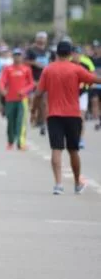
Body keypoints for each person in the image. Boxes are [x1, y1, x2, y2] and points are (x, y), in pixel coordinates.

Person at [33, 40, 101, 194]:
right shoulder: (76, 69)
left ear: (57, 53)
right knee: (73, 150)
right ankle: (77, 183)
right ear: (70, 54)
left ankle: (58, 184)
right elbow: (96, 80)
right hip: (73, 116)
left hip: (54, 115)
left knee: (56, 149)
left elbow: (38, 94)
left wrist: (33, 112)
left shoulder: (48, 70)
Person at [0, 48, 34, 150]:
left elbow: (31, 84)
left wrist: (24, 90)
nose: (17, 57)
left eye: (19, 55)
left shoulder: (26, 69)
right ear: (12, 57)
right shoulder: (7, 69)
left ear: (22, 57)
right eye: (15, 55)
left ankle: (20, 143)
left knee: (21, 121)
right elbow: (2, 81)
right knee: (10, 121)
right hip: (10, 99)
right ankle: (10, 141)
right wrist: (2, 89)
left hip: (22, 99)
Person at [26, 31, 54, 135]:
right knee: (35, 100)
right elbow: (25, 61)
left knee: (44, 101)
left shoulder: (49, 51)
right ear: (36, 39)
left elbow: (54, 61)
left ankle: (42, 123)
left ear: (46, 40)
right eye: (40, 38)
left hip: (46, 79)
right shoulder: (31, 50)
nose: (42, 40)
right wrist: (35, 63)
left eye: (43, 38)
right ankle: (34, 114)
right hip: (34, 78)